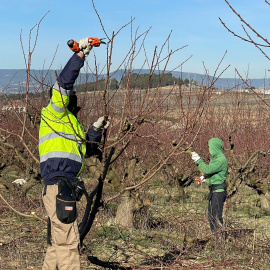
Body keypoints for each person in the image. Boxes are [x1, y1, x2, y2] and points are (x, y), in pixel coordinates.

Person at [39, 37, 109, 270]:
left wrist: (95, 130)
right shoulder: (54, 113)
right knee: (68, 243)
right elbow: (64, 83)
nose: (72, 98)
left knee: (57, 243)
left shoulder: (71, 124)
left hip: (63, 186)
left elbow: (87, 149)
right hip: (59, 185)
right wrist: (81, 54)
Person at [191, 138, 228, 233]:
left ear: (214, 147)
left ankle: (220, 240)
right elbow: (212, 172)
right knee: (211, 215)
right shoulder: (215, 159)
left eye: (209, 147)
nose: (208, 149)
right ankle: (216, 237)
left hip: (218, 192)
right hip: (214, 191)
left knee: (216, 217)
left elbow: (208, 169)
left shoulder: (220, 159)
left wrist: (198, 160)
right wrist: (204, 177)